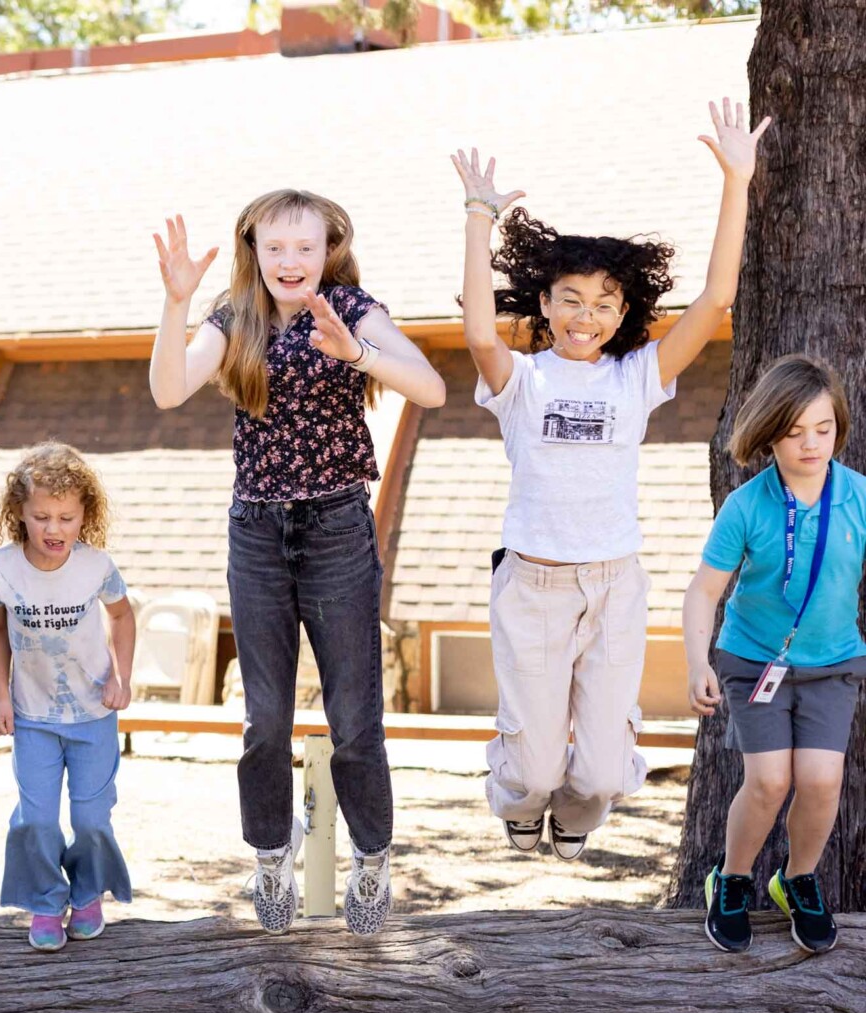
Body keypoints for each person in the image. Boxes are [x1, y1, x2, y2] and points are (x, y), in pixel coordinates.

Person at [454, 99, 769, 862]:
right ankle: (520, 802)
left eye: (602, 304)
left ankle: (575, 814)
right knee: (529, 771)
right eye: (570, 301)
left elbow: (716, 302)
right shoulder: (523, 382)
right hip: (534, 584)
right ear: (545, 304)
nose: (585, 317)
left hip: (615, 584)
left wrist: (738, 180)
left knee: (597, 771)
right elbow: (473, 330)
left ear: (623, 310)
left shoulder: (638, 378)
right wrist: (477, 217)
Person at [149, 193, 446, 935]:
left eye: (304, 248)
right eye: (275, 247)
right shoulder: (233, 317)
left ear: (327, 250)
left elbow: (433, 388)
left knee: (354, 716)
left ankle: (372, 859)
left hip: (338, 526)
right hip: (257, 532)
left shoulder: (348, 308)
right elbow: (167, 388)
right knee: (265, 719)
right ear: (253, 246)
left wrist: (358, 354)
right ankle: (272, 855)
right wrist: (175, 303)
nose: (289, 262)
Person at [683, 355, 864, 955]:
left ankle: (797, 879)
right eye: (794, 432)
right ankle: (730, 881)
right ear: (769, 432)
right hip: (755, 660)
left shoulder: (858, 498)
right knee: (768, 781)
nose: (811, 444)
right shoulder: (747, 505)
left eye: (824, 429)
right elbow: (704, 590)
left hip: (832, 663)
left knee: (821, 779)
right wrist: (695, 661)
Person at [0, 442, 136, 951]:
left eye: (67, 517)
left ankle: (88, 893)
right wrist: (0, 697)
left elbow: (123, 617)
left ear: (84, 514)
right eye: (42, 516)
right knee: (38, 817)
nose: (54, 529)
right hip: (32, 717)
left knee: (91, 818)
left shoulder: (97, 566)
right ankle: (46, 901)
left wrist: (122, 678)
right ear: (19, 513)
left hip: (92, 715)